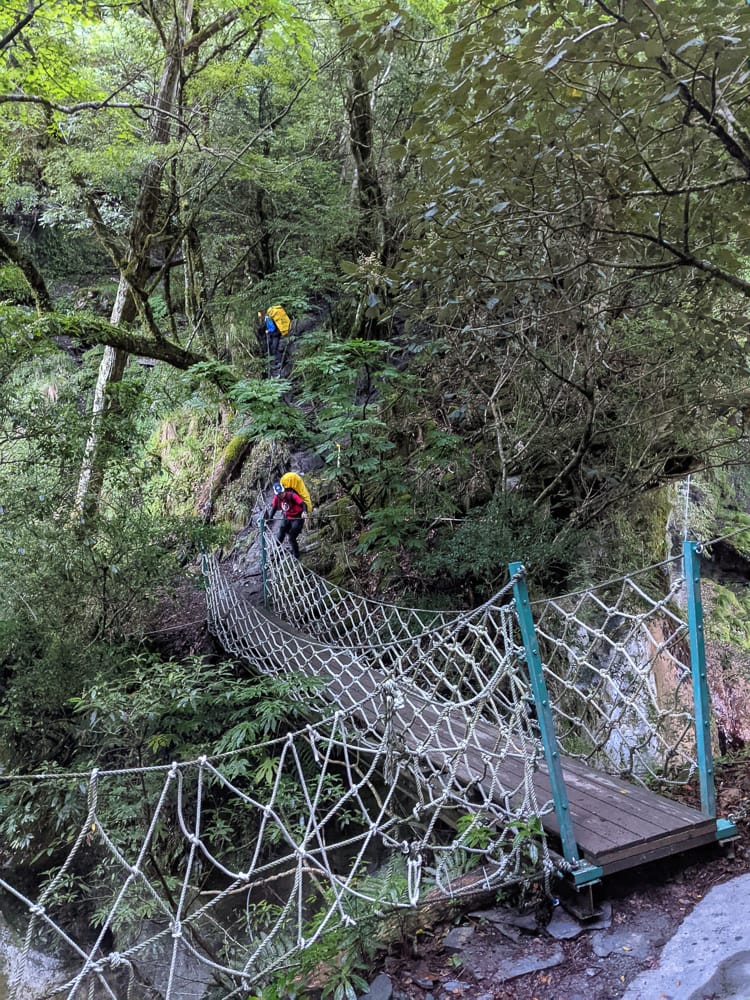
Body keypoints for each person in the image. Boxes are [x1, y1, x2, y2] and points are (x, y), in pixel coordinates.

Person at [264, 481, 307, 558]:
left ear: (284, 490)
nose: (282, 494)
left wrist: (304, 512)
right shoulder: (277, 498)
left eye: (282, 492)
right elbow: (274, 508)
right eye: (279, 494)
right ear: (277, 494)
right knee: (280, 533)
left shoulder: (292, 495)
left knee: (291, 537)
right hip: (287, 516)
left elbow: (303, 504)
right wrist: (269, 519)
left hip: (297, 517)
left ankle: (296, 555)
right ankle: (275, 551)